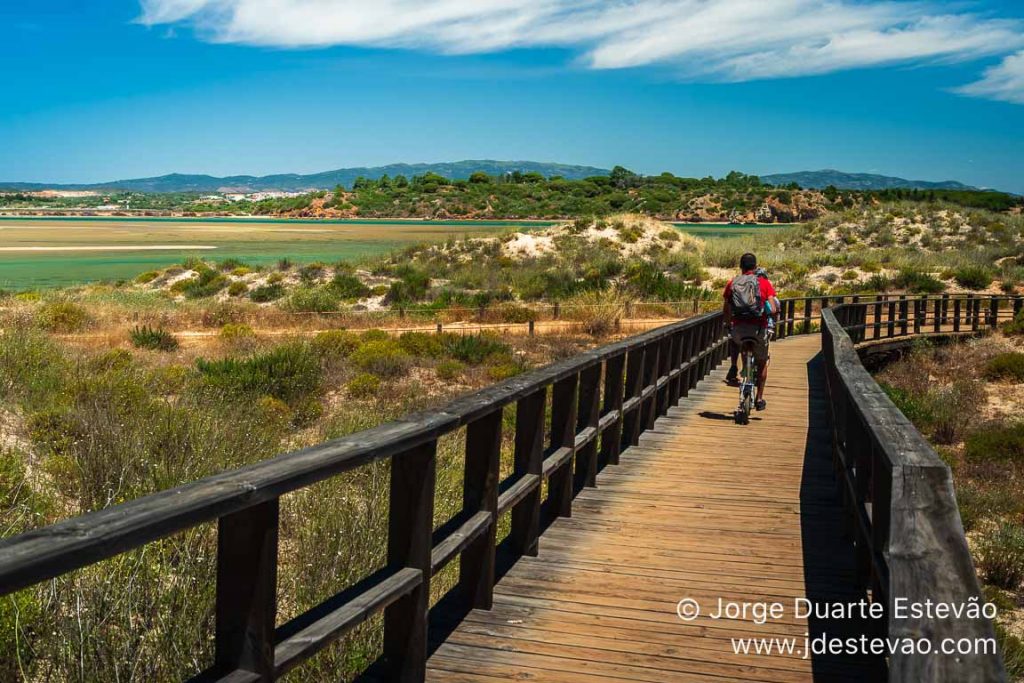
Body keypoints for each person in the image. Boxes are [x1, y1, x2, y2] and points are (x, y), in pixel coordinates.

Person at [723, 253, 779, 410]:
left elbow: (726, 309)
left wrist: (729, 324)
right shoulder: (764, 283)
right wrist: (770, 317)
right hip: (758, 329)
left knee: (742, 345)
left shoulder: (732, 283)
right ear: (755, 267)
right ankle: (759, 399)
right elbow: (773, 308)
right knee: (762, 363)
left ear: (741, 267)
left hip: (739, 330)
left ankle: (740, 368)